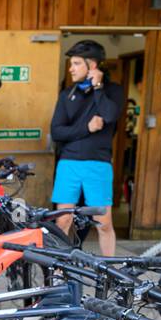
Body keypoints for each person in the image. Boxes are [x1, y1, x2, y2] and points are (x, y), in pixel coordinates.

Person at [50, 40, 122, 256]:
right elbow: (57, 132)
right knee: (62, 221)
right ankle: (59, 272)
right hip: (69, 163)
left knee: (104, 223)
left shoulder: (113, 90)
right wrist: (87, 128)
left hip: (98, 164)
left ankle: (109, 273)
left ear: (92, 65)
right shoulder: (67, 94)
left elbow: (110, 116)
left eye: (76, 63)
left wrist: (98, 88)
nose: (71, 68)